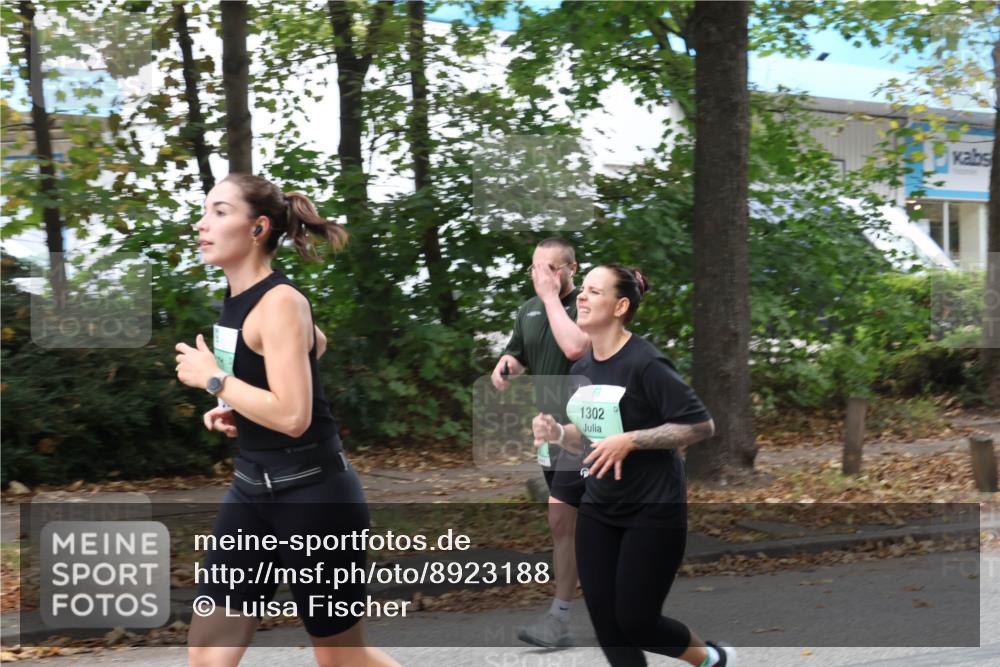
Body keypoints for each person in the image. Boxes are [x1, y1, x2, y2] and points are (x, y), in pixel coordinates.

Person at [175, 173, 400, 667]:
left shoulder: (280, 301)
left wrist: (216, 381)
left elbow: (295, 416)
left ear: (257, 228)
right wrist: (240, 408)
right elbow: (315, 345)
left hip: (315, 499)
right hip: (252, 491)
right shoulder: (240, 299)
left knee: (342, 658)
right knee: (207, 650)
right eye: (205, 210)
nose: (202, 224)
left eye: (219, 211)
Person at [531, 265, 737, 667]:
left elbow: (700, 425)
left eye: (594, 291)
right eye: (582, 290)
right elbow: (589, 438)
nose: (582, 298)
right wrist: (557, 433)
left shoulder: (646, 363)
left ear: (621, 305)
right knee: (608, 626)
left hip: (653, 510)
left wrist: (634, 440)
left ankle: (711, 659)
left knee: (637, 621)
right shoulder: (583, 368)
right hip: (600, 508)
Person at [491, 237, 590, 649]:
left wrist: (550, 297)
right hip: (550, 434)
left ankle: (608, 608)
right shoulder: (527, 311)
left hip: (589, 433)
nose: (541, 277)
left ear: (572, 269)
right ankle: (564, 616)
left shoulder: (585, 305)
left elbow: (573, 346)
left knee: (584, 522)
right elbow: (521, 353)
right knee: (564, 523)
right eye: (535, 267)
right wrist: (507, 365)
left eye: (551, 268)